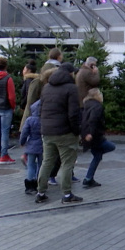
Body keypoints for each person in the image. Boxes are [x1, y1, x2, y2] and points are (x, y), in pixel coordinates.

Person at [35, 63, 82, 204]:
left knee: (47, 162)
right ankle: (67, 194)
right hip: (65, 132)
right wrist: (76, 131)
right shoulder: (71, 88)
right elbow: (74, 113)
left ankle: (40, 192)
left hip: (47, 131)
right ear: (70, 74)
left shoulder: (47, 87)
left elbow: (40, 109)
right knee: (67, 163)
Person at [80, 88, 116, 188]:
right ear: (96, 95)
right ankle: (88, 179)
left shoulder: (86, 105)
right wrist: (90, 133)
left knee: (97, 156)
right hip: (96, 136)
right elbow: (93, 120)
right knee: (111, 147)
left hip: (89, 136)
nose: (101, 95)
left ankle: (88, 178)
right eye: (100, 93)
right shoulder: (97, 106)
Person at [20, 99, 43, 194]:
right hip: (42, 146)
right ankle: (39, 182)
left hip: (31, 146)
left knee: (30, 165)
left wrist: (22, 142)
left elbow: (24, 133)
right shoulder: (45, 120)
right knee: (41, 165)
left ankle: (30, 184)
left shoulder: (29, 120)